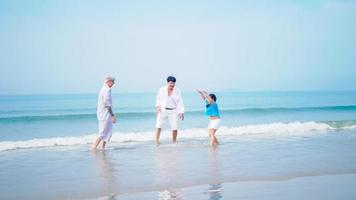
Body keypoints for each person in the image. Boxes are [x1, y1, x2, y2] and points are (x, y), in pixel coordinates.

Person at [155, 76, 185, 145]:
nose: (172, 84)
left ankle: (174, 142)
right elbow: (158, 98)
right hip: (163, 110)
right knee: (158, 125)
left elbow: (180, 101)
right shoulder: (162, 89)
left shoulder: (177, 90)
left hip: (173, 111)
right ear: (168, 82)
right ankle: (157, 141)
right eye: (171, 83)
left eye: (174, 83)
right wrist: (158, 106)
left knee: (175, 127)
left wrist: (181, 112)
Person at [92, 75, 117, 150]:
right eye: (113, 82)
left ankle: (102, 148)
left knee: (107, 131)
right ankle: (94, 147)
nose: (114, 83)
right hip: (104, 114)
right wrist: (112, 115)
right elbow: (107, 104)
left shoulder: (106, 89)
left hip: (105, 114)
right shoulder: (106, 90)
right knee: (103, 132)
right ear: (109, 81)